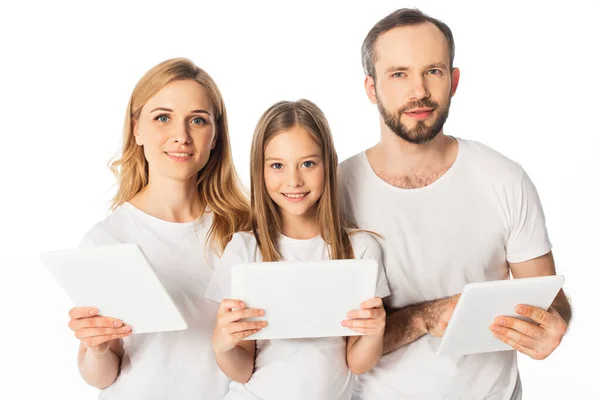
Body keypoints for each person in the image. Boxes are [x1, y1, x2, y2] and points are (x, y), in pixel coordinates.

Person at [338, 8, 572, 400]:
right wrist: (425, 317)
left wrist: (552, 324)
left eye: (433, 71)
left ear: (454, 80)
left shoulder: (503, 178)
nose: (419, 92)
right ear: (371, 88)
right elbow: (333, 342)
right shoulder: (336, 190)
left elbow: (548, 297)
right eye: (399, 74)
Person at [66, 58, 250, 399]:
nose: (180, 136)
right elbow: (101, 377)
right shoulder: (107, 240)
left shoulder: (244, 230)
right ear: (136, 128)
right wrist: (98, 348)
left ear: (214, 136)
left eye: (197, 120)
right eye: (162, 118)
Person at [205, 99, 391, 400]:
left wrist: (375, 331)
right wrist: (222, 344)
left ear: (327, 165)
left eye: (308, 163)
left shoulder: (359, 250)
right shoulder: (245, 251)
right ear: (260, 170)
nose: (294, 180)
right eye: (277, 166)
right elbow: (242, 370)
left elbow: (357, 362)